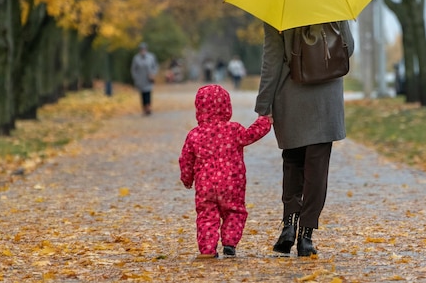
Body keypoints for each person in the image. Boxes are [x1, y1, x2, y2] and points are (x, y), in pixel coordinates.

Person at [255, 21, 354, 257]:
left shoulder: (276, 11)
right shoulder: (334, 5)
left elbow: (272, 60)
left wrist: (264, 104)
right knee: (317, 168)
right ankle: (306, 236)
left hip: (290, 94)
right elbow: (347, 48)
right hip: (325, 96)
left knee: (292, 161)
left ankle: (289, 224)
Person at [179, 84, 272, 258]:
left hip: (205, 185)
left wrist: (187, 179)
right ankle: (229, 243)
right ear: (227, 107)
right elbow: (251, 134)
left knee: (206, 216)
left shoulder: (195, 135)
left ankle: (207, 250)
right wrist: (265, 121)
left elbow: (186, 160)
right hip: (232, 183)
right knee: (235, 211)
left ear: (199, 108)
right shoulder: (234, 130)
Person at [130, 42, 158, 115]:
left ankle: (148, 107)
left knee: (148, 93)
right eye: (141, 49)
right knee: (142, 94)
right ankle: (144, 108)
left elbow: (155, 66)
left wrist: (153, 74)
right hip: (140, 79)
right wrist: (135, 77)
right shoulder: (136, 58)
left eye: (144, 49)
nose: (143, 50)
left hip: (148, 79)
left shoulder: (151, 57)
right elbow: (133, 69)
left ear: (146, 49)